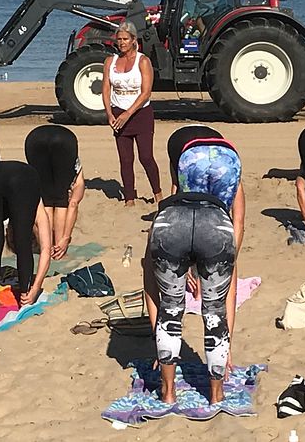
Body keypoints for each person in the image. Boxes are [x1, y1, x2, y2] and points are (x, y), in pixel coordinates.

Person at [143, 190, 239, 405]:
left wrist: (159, 340)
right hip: (217, 224)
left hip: (169, 223)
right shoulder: (232, 181)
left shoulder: (167, 208)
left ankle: (168, 392)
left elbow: (149, 286)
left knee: (170, 310)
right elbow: (228, 296)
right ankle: (216, 394)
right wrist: (227, 345)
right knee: (215, 312)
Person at [0, 161, 53, 308]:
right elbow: (46, 249)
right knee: (23, 243)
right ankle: (25, 295)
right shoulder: (37, 210)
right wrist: (35, 288)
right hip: (22, 178)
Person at [102, 21, 162, 206]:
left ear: (133, 40)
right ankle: (129, 197)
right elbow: (105, 88)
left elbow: (146, 93)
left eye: (125, 39)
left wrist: (128, 113)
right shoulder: (110, 61)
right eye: (119, 39)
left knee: (146, 157)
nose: (121, 43)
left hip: (140, 114)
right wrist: (110, 114)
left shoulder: (143, 61)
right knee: (126, 159)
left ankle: (157, 193)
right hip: (118, 114)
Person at [25, 125, 84, 259]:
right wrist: (65, 238)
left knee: (46, 198)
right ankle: (58, 249)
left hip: (35, 138)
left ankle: (47, 247)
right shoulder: (76, 180)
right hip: (65, 139)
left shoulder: (76, 178)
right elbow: (73, 204)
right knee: (61, 200)